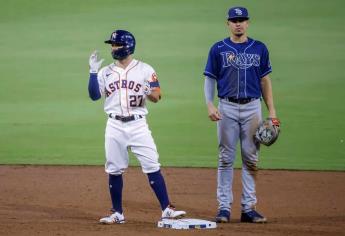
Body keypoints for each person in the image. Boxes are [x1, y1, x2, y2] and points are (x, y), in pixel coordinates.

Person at [88, 29, 186, 224]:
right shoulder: (105, 72)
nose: (113, 48)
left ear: (128, 46)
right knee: (114, 169)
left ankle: (166, 209)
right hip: (114, 125)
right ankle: (117, 213)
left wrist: (149, 92)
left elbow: (157, 97)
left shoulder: (145, 69)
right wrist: (92, 72)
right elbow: (93, 96)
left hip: (138, 125)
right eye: (112, 45)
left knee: (152, 165)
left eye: (117, 45)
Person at [203, 7, 279, 223]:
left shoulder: (259, 48)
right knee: (225, 158)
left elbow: (265, 80)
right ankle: (224, 208)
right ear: (227, 23)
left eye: (242, 20)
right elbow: (210, 79)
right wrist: (210, 104)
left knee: (251, 158)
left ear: (248, 23)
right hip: (226, 107)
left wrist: (272, 112)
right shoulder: (218, 49)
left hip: (252, 107)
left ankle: (248, 208)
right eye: (234, 20)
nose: (238, 23)